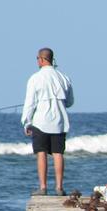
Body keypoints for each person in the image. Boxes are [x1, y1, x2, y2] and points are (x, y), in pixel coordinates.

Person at [22, 47, 74, 195]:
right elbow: (70, 102)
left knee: (41, 153)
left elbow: (30, 103)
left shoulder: (35, 78)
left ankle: (43, 188)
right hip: (59, 121)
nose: (37, 61)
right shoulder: (64, 78)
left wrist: (26, 121)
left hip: (40, 122)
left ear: (42, 59)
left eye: (37, 58)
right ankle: (59, 188)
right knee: (58, 153)